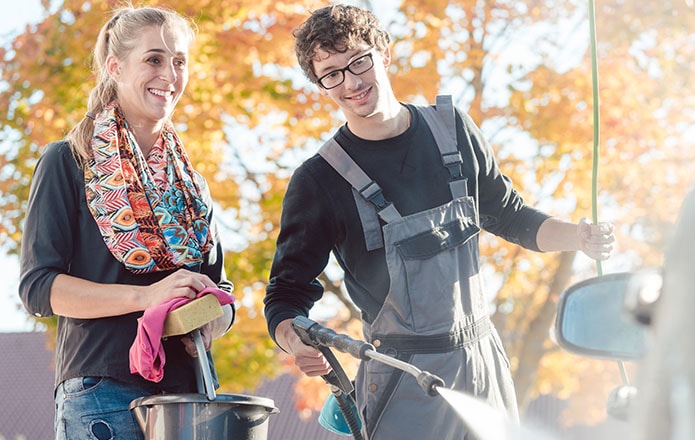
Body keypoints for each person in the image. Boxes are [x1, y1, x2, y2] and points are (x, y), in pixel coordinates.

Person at [264, 4, 616, 439]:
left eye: (359, 61)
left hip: (484, 366)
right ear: (321, 86)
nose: (351, 82)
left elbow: (508, 215)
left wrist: (578, 237)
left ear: (384, 54)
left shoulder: (453, 131)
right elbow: (285, 295)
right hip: (403, 384)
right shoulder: (319, 181)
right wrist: (294, 340)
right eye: (331, 73)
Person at [17, 6, 234, 439]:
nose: (169, 74)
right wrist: (149, 297)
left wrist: (213, 319)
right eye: (154, 59)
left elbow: (219, 287)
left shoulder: (192, 185)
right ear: (115, 66)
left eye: (179, 61)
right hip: (103, 390)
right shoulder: (69, 162)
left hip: (189, 397)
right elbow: (40, 288)